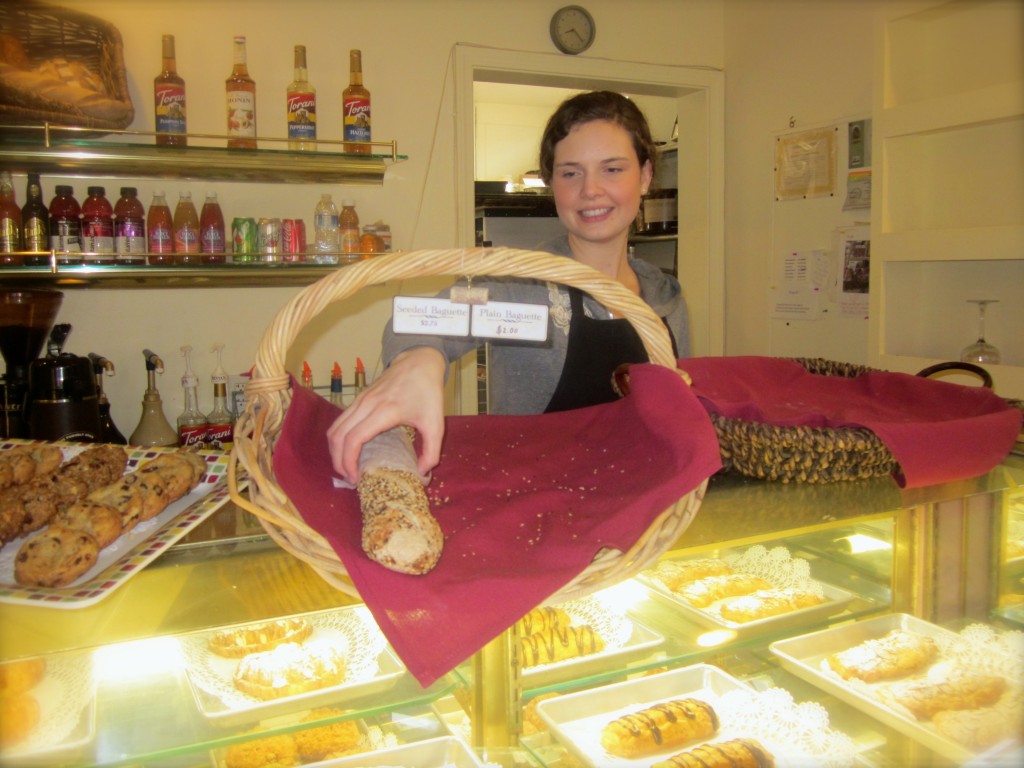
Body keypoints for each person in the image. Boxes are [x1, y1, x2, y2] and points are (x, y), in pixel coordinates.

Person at [328, 90, 690, 483]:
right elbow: (421, 322)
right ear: (552, 183)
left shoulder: (665, 298)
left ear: (646, 176)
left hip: (646, 505)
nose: (590, 190)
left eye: (613, 169)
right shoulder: (519, 288)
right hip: (533, 509)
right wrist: (419, 361)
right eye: (570, 173)